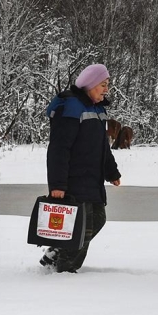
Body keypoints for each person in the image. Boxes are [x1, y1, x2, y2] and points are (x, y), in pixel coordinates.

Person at [40, 63, 122, 273]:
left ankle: (56, 252)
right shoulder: (71, 107)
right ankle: (65, 270)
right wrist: (57, 184)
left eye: (107, 85)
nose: (106, 89)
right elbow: (59, 149)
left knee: (98, 219)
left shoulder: (97, 110)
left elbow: (102, 146)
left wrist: (111, 172)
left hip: (92, 180)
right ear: (89, 85)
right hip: (73, 180)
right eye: (102, 85)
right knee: (82, 228)